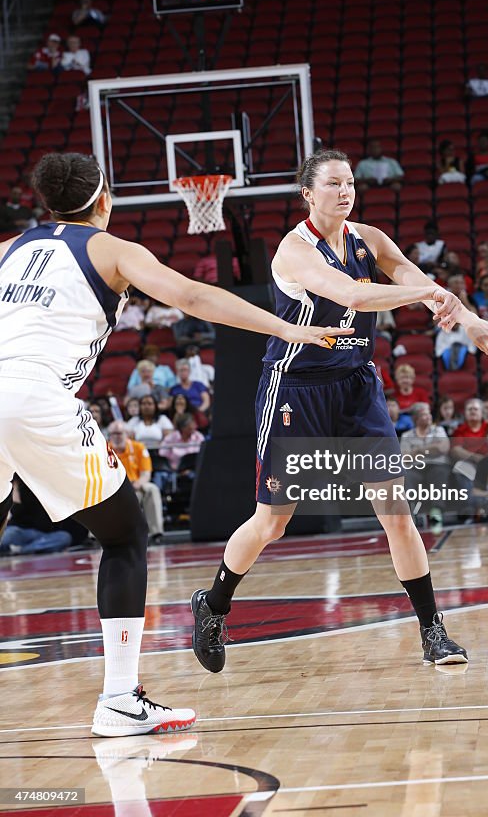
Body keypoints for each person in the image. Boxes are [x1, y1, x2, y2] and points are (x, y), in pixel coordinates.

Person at [0, 151, 352, 736]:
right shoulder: (111, 249)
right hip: (34, 398)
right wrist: (288, 326)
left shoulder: (8, 250)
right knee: (125, 534)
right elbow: (191, 297)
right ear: (104, 199)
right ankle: (119, 698)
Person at [190, 149, 488, 674]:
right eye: (333, 184)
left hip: (357, 385)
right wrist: (425, 294)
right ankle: (214, 604)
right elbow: (352, 293)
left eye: (350, 182)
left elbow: (413, 275)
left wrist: (464, 316)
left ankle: (433, 631)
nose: (345, 190)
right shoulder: (294, 250)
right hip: (296, 389)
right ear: (309, 194)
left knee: (397, 514)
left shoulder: (369, 239)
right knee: (272, 523)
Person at [108, 421, 165, 545]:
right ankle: (95, 537)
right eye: (113, 434)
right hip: (114, 487)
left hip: (136, 484)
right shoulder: (105, 450)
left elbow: (146, 473)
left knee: (152, 489)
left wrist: (137, 484)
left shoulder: (139, 447)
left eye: (120, 433)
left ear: (127, 434)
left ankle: (156, 533)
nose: (117, 437)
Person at [0, 476, 88, 555]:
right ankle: (27, 548)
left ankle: (21, 550)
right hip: (25, 532)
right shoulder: (25, 485)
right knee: (8, 534)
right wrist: (15, 493)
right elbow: (17, 515)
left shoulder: (58, 491)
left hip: (49, 535)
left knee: (64, 537)